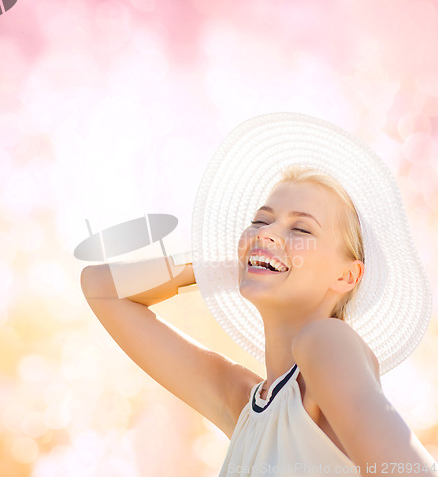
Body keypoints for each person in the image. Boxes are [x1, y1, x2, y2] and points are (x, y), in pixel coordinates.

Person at [81, 113, 437, 476]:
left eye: (301, 228)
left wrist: (263, 254)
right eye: (262, 221)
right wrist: (232, 262)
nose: (268, 233)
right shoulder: (246, 406)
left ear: (347, 275)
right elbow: (102, 289)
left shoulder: (327, 341)